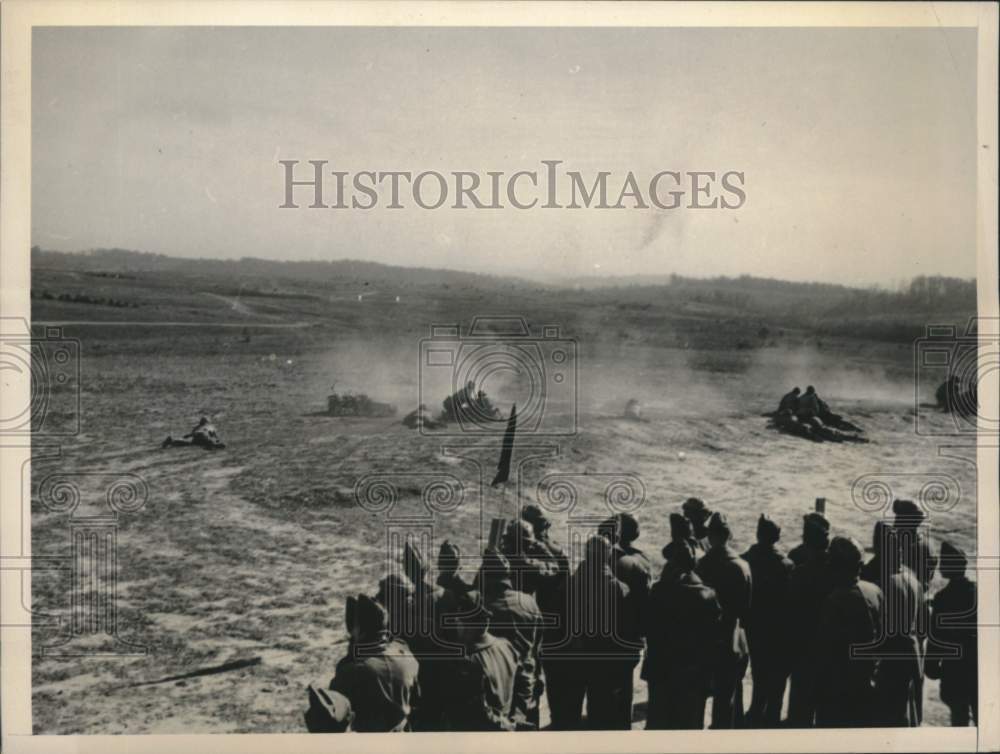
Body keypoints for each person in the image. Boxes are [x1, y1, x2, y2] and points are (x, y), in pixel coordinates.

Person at [643, 538, 722, 729]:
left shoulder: (658, 592)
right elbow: (713, 638)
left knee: (659, 723)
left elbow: (648, 629)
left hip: (662, 670)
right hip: (693, 673)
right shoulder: (707, 595)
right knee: (689, 723)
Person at [561, 535, 635, 730]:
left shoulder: (571, 581)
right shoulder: (619, 588)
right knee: (601, 708)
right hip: (604, 657)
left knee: (572, 707)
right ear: (608, 556)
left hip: (575, 651)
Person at [814, 537, 883, 727]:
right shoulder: (874, 590)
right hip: (868, 679)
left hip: (839, 685)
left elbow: (826, 648)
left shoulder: (836, 600)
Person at [328, 594, 421, 732]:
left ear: (359, 630)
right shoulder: (404, 652)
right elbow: (416, 698)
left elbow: (336, 717)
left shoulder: (351, 671)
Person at [519, 505, 574, 731]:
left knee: (525, 687)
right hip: (552, 629)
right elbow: (566, 594)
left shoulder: (517, 554)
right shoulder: (557, 552)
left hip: (527, 629)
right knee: (550, 685)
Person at [695, 512, 752, 729]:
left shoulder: (702, 565)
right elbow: (746, 609)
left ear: (710, 536)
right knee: (726, 701)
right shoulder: (742, 566)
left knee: (699, 699)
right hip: (731, 640)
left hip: (705, 641)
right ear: (729, 535)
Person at [481, 548, 545, 729]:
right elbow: (538, 646)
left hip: (497, 686)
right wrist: (538, 676)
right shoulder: (529, 602)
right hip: (527, 680)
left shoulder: (481, 607)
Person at [598, 513, 652, 727]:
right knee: (624, 689)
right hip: (630, 636)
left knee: (602, 692)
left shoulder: (605, 560)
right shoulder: (642, 559)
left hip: (604, 636)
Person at [741, 514, 794, 727]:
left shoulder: (747, 559)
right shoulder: (787, 564)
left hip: (755, 626)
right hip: (779, 628)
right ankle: (772, 713)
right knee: (777, 673)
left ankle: (755, 710)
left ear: (758, 534)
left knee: (759, 670)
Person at [440, 589, 520, 731]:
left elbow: (480, 715)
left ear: (466, 624)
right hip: (505, 723)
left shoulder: (467, 662)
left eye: (457, 621)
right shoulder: (506, 645)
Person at [869, 528, 924, 726]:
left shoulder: (883, 582)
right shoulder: (912, 578)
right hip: (912, 652)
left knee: (887, 714)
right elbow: (922, 625)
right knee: (907, 709)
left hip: (890, 656)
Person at [785, 511, 833, 727]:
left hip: (802, 643)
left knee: (800, 705)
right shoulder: (835, 565)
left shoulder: (796, 561)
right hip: (827, 643)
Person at [926, 541, 978, 726]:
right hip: (978, 666)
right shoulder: (978, 592)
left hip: (955, 670)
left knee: (959, 718)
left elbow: (936, 638)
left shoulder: (943, 598)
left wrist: (931, 665)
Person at [162, 416, 226, 450]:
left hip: (196, 439)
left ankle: (172, 441)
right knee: (207, 443)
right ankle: (172, 441)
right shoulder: (209, 427)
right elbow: (214, 435)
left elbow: (193, 433)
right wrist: (217, 441)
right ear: (207, 422)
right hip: (202, 438)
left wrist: (188, 435)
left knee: (187, 444)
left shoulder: (197, 427)